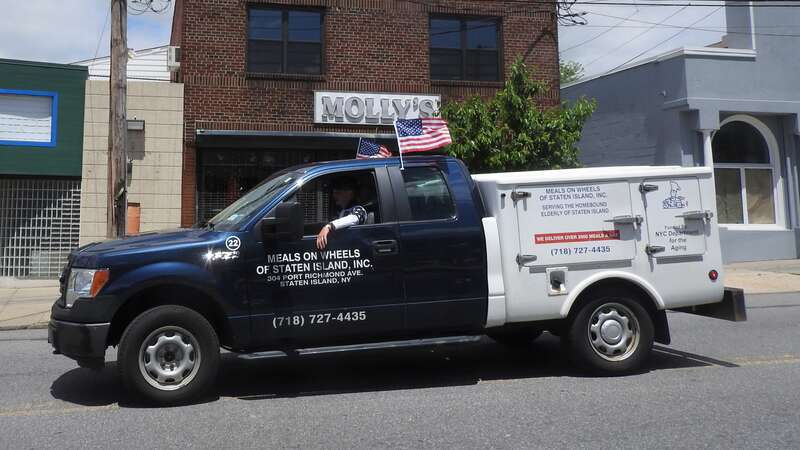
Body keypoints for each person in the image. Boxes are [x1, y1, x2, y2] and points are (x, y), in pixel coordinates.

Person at [316, 176, 368, 250]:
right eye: (333, 193)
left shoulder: (359, 210)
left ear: (350, 193)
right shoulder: (342, 211)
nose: (334, 196)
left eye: (338, 193)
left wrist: (329, 226)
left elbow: (353, 218)